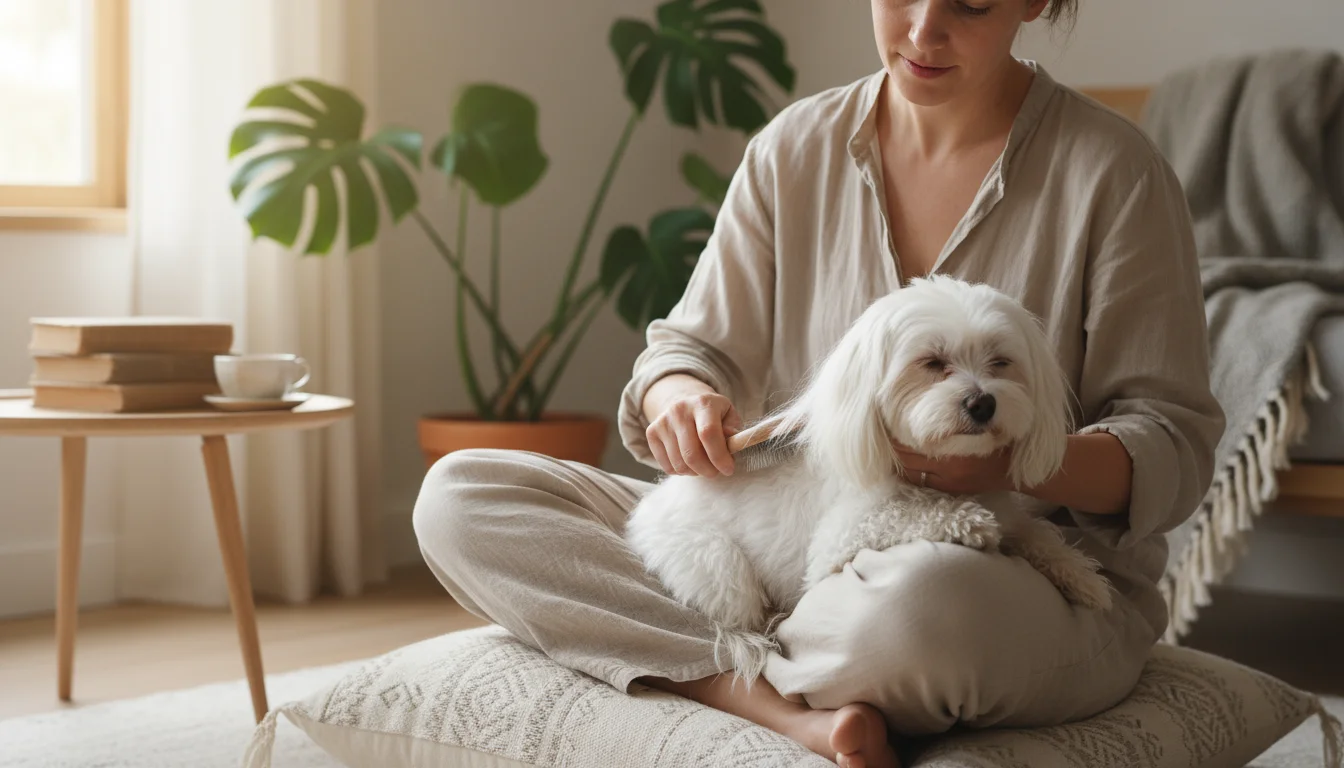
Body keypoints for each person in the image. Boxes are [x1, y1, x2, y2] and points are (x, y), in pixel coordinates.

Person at [412, 0, 1227, 766]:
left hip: (994, 578)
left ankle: (721, 655)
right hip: (774, 528)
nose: (923, 28)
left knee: (919, 607)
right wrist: (680, 398)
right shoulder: (792, 148)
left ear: (1035, 2)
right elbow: (687, 349)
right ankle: (778, 703)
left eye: (969, 5)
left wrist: (1017, 467)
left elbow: (1174, 442)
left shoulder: (1116, 174)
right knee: (461, 496)